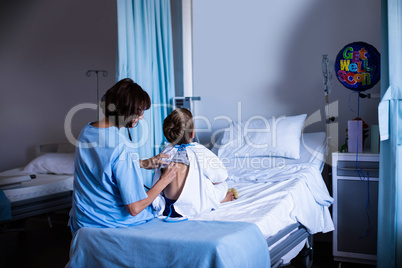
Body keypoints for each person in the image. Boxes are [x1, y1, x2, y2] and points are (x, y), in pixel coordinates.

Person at [68, 78, 177, 234]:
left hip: (83, 219)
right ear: (127, 112)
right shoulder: (120, 146)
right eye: (139, 112)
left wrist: (142, 163)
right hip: (109, 222)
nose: (141, 117)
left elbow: (103, 163)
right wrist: (164, 181)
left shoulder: (86, 131)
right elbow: (134, 208)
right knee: (159, 209)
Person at [152, 108, 235, 218]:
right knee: (222, 185)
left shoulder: (166, 151)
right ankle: (221, 199)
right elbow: (221, 175)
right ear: (192, 133)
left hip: (168, 207)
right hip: (192, 208)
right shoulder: (199, 151)